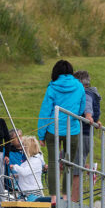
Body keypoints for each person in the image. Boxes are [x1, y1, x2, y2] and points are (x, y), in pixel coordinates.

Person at [37, 60, 86, 199]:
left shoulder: (51, 88)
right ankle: (65, 197)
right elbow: (81, 109)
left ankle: (53, 198)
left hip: (53, 129)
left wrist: (41, 134)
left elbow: (45, 111)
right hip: (73, 129)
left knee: (53, 163)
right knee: (68, 163)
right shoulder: (79, 86)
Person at [74, 70, 101, 168]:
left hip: (82, 135)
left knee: (76, 169)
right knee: (75, 165)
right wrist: (96, 120)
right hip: (86, 135)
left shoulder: (85, 93)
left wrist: (88, 116)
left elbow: (87, 105)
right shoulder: (93, 93)